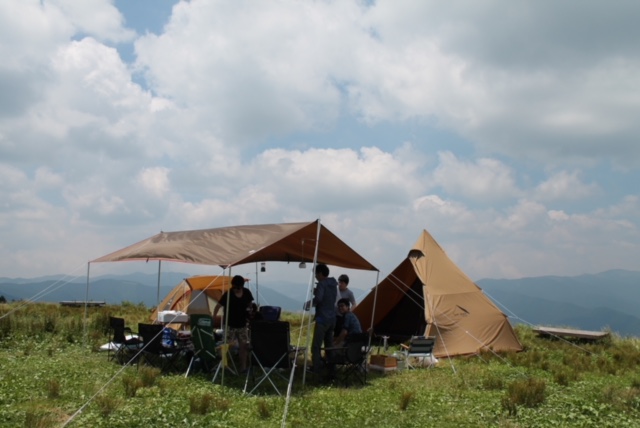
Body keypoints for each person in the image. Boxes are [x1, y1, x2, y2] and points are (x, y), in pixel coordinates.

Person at [213, 275, 254, 372]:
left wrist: (250, 311)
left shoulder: (247, 292)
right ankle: (223, 365)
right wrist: (214, 317)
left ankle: (243, 367)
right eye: (233, 287)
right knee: (226, 346)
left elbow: (250, 304)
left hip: (242, 324)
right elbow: (217, 306)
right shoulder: (228, 294)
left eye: (237, 288)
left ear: (241, 286)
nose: (235, 289)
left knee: (244, 346)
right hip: (229, 324)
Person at [309, 263, 338, 373]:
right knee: (329, 346)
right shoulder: (333, 284)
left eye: (316, 274)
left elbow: (319, 299)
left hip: (322, 319)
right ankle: (332, 369)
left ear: (320, 273)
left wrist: (310, 303)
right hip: (332, 319)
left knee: (316, 346)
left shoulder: (321, 284)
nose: (316, 276)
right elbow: (329, 297)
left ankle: (317, 368)